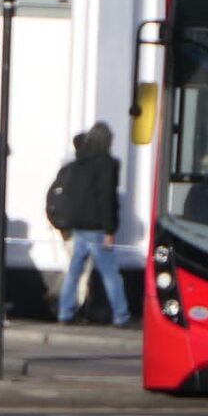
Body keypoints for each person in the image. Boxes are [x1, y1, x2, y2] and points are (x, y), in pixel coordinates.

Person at [56, 121, 133, 328]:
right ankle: (121, 315)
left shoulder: (77, 164)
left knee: (74, 272)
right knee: (110, 273)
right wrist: (110, 229)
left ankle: (65, 311)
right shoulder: (108, 164)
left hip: (78, 225)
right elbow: (107, 198)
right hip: (97, 227)